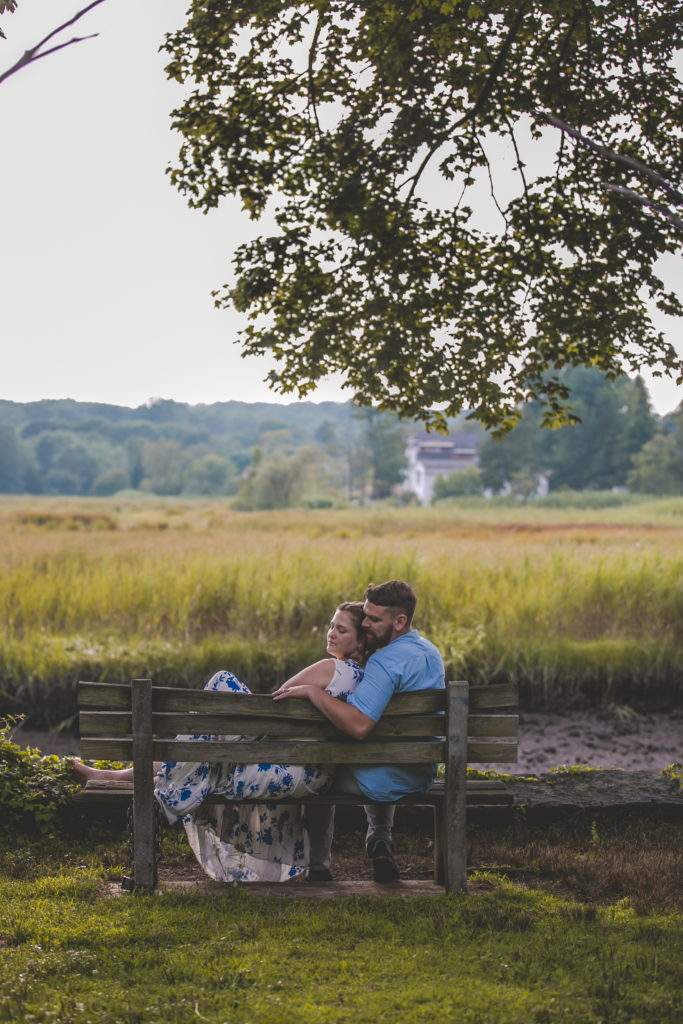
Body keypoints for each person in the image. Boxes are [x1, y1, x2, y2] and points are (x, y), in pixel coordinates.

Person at [72, 601, 367, 882]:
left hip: (286, 766)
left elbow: (276, 703)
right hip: (314, 775)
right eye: (331, 625)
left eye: (341, 629)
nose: (331, 632)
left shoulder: (332, 668)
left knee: (221, 683)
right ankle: (111, 776)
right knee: (197, 757)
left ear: (360, 641)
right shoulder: (364, 680)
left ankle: (158, 794)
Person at [273, 580, 445, 883]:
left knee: (320, 771)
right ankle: (379, 836)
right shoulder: (430, 652)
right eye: (365, 615)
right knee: (375, 756)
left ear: (400, 621)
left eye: (374, 619)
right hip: (422, 770)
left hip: (387, 775)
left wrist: (316, 695)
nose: (365, 623)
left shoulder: (383, 662)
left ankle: (319, 866)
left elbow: (359, 725)